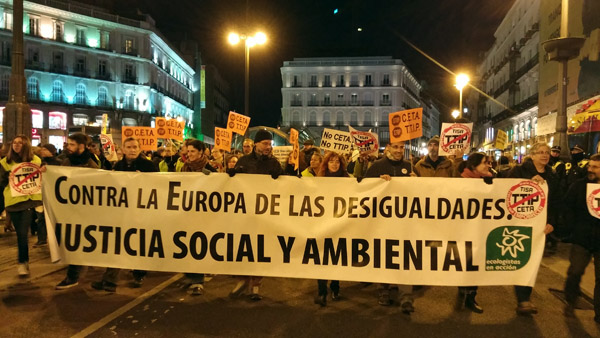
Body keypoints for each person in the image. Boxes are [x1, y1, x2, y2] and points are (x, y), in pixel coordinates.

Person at [89, 137, 157, 292]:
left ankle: (139, 273)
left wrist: (145, 180)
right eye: (129, 147)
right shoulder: (119, 165)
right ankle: (110, 280)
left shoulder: (148, 165)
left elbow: (159, 187)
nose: (132, 150)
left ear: (140, 149)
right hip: (122, 212)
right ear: (123, 149)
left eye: (135, 147)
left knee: (139, 244)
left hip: (142, 213)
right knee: (118, 245)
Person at [229, 129, 283, 301]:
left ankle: (256, 286)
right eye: (265, 143)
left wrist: (280, 177)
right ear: (256, 144)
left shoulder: (274, 164)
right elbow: (232, 186)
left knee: (261, 249)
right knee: (243, 247)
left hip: (264, 215)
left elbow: (284, 187)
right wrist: (231, 175)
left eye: (270, 143)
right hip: (245, 213)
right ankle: (242, 280)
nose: (268, 147)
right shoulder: (244, 161)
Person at [364, 141, 415, 314]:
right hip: (382, 222)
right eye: (396, 147)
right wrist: (378, 183)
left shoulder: (409, 167)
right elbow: (363, 189)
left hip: (404, 221)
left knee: (405, 255)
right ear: (388, 149)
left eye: (402, 148)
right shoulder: (377, 166)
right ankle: (384, 290)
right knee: (384, 255)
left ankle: (406, 296)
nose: (399, 150)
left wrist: (418, 182)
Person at [507, 142, 557, 315]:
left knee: (533, 261)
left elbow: (556, 202)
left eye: (547, 152)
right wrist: (528, 183)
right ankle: (523, 299)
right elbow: (507, 191)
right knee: (523, 259)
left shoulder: (552, 174)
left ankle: (524, 297)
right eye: (541, 152)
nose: (545, 155)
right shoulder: (519, 171)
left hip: (541, 226)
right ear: (533, 155)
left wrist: (552, 222)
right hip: (520, 222)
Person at [55, 133, 100, 290]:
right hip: (70, 209)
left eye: (72, 145)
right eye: (68, 144)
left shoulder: (92, 163)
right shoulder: (67, 161)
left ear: (81, 146)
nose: (68, 147)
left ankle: (72, 276)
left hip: (87, 211)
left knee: (77, 242)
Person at [563, 154, 600, 323]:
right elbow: (568, 206)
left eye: (595, 167)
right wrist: (572, 228)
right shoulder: (579, 186)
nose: (590, 170)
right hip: (582, 238)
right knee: (575, 272)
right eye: (590, 166)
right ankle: (570, 300)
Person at [455, 152, 493, 314]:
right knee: (464, 261)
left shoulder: (489, 180)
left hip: (479, 230)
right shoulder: (459, 182)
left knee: (475, 263)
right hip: (461, 230)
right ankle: (463, 289)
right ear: (473, 166)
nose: (488, 166)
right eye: (485, 163)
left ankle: (471, 296)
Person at [0, 135, 43, 276]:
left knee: (23, 234)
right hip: (13, 202)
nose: (16, 145)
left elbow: (42, 178)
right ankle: (23, 262)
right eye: (14, 142)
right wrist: (6, 177)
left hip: (29, 201)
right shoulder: (5, 162)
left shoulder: (36, 160)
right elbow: (1, 184)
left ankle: (23, 262)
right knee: (20, 234)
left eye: (20, 143)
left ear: (26, 145)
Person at [313, 151, 348, 306]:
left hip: (340, 225)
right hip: (322, 225)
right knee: (321, 258)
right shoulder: (319, 181)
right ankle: (322, 291)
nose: (334, 164)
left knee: (335, 257)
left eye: (337, 162)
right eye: (331, 161)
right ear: (326, 164)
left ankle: (335, 287)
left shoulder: (348, 180)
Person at [177, 139, 211, 295]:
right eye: (188, 151)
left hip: (204, 214)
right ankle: (189, 277)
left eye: (192, 151)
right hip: (187, 211)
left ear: (200, 153)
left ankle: (198, 281)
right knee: (186, 244)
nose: (189, 154)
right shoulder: (185, 168)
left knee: (199, 246)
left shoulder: (209, 169)